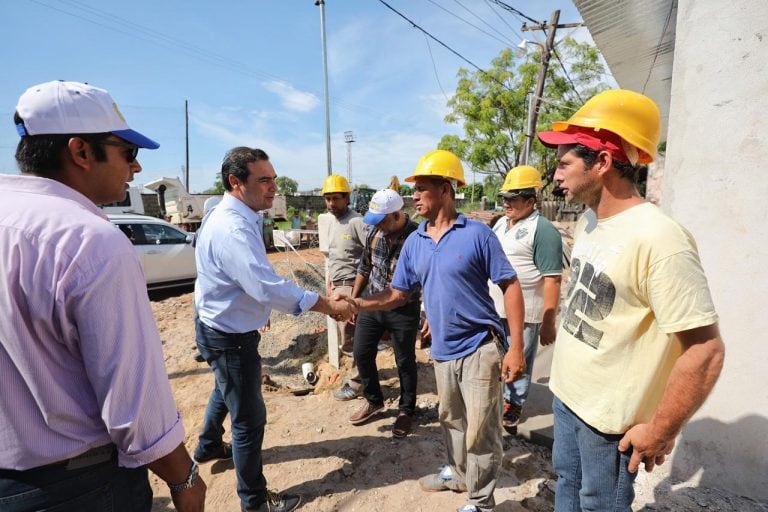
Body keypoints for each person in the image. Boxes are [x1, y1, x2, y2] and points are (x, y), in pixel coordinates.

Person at [0, 80, 205, 511]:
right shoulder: (91, 242)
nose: (136, 169)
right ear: (80, 152)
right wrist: (185, 478)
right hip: (80, 485)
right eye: (128, 153)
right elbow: (134, 406)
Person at [537, 89, 725, 510]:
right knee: (566, 486)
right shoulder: (587, 223)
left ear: (602, 162)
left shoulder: (660, 238)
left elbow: (706, 351)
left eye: (565, 163)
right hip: (567, 398)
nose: (556, 175)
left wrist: (660, 429)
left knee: (598, 504)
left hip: (609, 424)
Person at [352, 150, 526, 512]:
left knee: (482, 430)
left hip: (480, 347)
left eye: (422, 188)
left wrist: (516, 348)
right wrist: (360, 304)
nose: (414, 196)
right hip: (443, 350)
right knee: (452, 421)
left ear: (445, 189)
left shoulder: (477, 235)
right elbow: (399, 293)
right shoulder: (416, 241)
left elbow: (510, 285)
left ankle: (481, 502)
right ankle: (459, 475)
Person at [193, 146, 355, 512]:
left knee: (226, 387)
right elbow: (266, 285)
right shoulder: (231, 227)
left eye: (274, 179)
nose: (274, 188)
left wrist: (257, 306)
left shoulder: (233, 213)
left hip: (218, 322)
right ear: (236, 182)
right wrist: (328, 306)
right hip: (228, 334)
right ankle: (254, 503)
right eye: (264, 180)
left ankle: (206, 446)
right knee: (249, 419)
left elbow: (245, 282)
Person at [488, 165, 563, 434]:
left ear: (531, 200)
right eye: (504, 198)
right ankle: (502, 396)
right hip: (495, 309)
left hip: (527, 310)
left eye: (513, 198)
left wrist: (548, 321)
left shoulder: (542, 230)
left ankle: (514, 402)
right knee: (498, 357)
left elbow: (553, 279)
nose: (506, 203)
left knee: (520, 359)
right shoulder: (500, 224)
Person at [346, 189, 420, 438]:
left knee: (405, 361)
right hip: (374, 303)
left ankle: (406, 410)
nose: (377, 225)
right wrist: (355, 300)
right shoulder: (374, 233)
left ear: (397, 214)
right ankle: (374, 399)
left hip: (403, 308)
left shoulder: (418, 237)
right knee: (361, 352)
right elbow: (364, 267)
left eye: (381, 220)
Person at [321, 174, 368, 401]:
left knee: (354, 339)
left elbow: (370, 257)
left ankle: (357, 383)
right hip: (336, 288)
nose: (331, 203)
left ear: (347, 198)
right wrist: (329, 285)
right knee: (347, 340)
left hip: (352, 288)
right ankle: (360, 375)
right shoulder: (333, 223)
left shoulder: (357, 221)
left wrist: (356, 297)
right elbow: (335, 257)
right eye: (327, 199)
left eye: (335, 198)